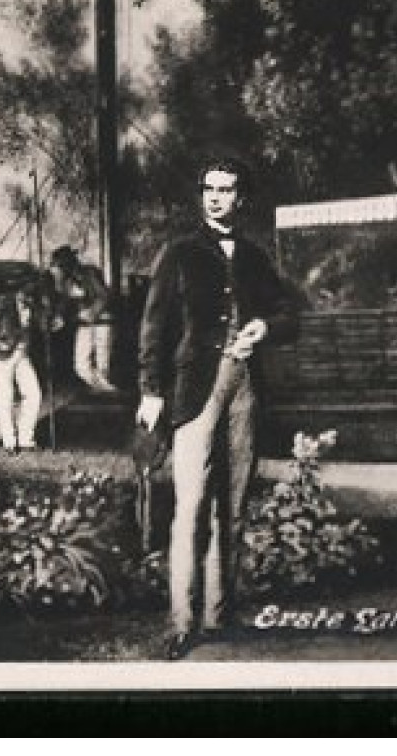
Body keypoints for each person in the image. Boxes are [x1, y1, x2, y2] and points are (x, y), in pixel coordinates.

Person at [136, 158, 298, 659]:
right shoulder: (179, 253)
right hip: (193, 390)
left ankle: (220, 616)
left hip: (244, 386)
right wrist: (150, 391)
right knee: (190, 506)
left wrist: (265, 328)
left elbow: (290, 313)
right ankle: (183, 623)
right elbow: (153, 327)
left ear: (239, 198)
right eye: (209, 189)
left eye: (226, 190)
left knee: (232, 503)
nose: (215, 197)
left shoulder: (253, 256)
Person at [0, 282, 46, 454]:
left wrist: (50, 321)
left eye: (31, 296)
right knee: (5, 397)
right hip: (3, 356)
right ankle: (9, 442)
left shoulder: (33, 305)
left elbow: (42, 325)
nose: (28, 299)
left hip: (22, 355)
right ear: (18, 291)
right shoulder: (2, 302)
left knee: (34, 394)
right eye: (25, 295)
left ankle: (26, 440)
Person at [50, 246, 116, 394]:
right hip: (85, 324)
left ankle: (104, 396)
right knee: (81, 367)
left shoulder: (89, 273)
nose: (54, 269)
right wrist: (59, 317)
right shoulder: (64, 283)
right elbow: (64, 302)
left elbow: (104, 296)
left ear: (65, 265)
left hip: (102, 323)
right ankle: (106, 391)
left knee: (103, 365)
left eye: (56, 265)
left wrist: (92, 312)